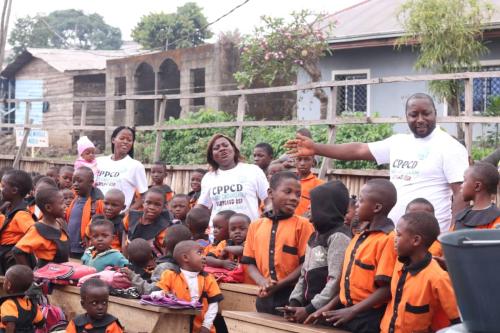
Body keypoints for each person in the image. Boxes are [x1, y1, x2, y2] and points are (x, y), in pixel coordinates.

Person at [286, 93, 469, 232]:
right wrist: (316, 148)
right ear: (406, 116)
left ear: (435, 113)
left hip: (431, 236)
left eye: (426, 113)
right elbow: (358, 150)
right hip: (394, 234)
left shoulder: (449, 146)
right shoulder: (399, 142)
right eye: (414, 114)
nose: (420, 119)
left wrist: (452, 234)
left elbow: (460, 194)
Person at [311, 179, 398, 332]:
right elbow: (347, 285)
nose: (356, 204)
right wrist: (326, 308)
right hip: (346, 313)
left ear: (376, 207)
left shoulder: (387, 240)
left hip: (368, 318)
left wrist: (353, 310)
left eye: (361, 200)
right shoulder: (359, 237)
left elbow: (386, 290)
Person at [241, 171, 314, 315]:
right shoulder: (256, 226)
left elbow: (306, 264)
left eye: (298, 194)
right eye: (287, 192)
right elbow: (249, 262)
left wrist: (279, 284)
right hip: (264, 295)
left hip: (293, 296)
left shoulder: (303, 225)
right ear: (270, 193)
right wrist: (263, 282)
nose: (294, 198)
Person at [380, 212, 461, 333]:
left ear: (416, 240)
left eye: (399, 235)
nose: (394, 239)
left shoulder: (438, 277)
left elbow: (457, 320)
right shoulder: (399, 264)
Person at [285, 181, 351, 324]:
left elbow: (336, 281)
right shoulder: (314, 236)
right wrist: (294, 302)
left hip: (325, 315)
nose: (309, 207)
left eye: (314, 204)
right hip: (308, 309)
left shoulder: (339, 237)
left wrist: (310, 309)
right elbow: (304, 274)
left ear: (326, 208)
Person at [197, 134, 269, 237]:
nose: (222, 149)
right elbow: (202, 207)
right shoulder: (209, 177)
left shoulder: (253, 170)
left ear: (234, 149)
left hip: (249, 235)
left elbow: (268, 198)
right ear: (212, 155)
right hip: (219, 237)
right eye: (216, 148)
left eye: (225, 145)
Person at [154, 240, 224, 333]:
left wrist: (206, 325)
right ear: (185, 257)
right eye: (199, 253)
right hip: (176, 326)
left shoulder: (208, 278)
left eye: (204, 253)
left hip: (201, 328)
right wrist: (162, 294)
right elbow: (157, 293)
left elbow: (213, 304)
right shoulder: (170, 275)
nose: (204, 257)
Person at [122, 224, 192, 295]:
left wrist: (133, 276)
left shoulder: (164, 267)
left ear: (164, 243)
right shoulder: (191, 265)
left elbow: (151, 291)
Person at [95, 126, 148, 210]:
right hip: (96, 214)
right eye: (122, 138)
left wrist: (127, 212)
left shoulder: (136, 166)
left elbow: (144, 195)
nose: (125, 142)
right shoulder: (98, 162)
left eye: (129, 140)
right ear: (113, 140)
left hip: (118, 217)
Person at [14, 187, 69, 267]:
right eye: (61, 203)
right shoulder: (39, 229)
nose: (65, 206)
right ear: (48, 208)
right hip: (47, 275)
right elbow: (18, 251)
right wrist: (28, 273)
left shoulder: (60, 223)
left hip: (61, 272)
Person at [0, 170, 36, 274]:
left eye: (3, 186)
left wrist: (18, 249)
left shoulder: (21, 214)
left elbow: (34, 233)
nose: (1, 189)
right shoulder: (8, 207)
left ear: (14, 190)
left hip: (14, 260)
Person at [66, 167, 104, 259]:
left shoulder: (98, 203)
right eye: (74, 181)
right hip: (70, 246)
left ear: (91, 182)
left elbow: (101, 225)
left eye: (79, 181)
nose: (75, 184)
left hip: (85, 248)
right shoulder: (74, 200)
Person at [123, 188, 169, 257]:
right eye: (148, 203)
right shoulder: (130, 217)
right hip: (129, 258)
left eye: (157, 204)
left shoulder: (163, 226)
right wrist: (125, 261)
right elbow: (124, 243)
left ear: (164, 206)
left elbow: (164, 253)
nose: (152, 207)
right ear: (143, 203)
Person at [454, 162, 499, 230]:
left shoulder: (497, 221)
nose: (461, 185)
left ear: (477, 186)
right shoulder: (461, 217)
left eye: (465, 180)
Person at [0, 265, 45, 332]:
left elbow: (10, 324)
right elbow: (41, 322)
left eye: (5, 281)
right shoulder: (32, 304)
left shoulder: (9, 304)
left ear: (9, 285)